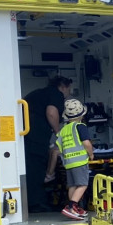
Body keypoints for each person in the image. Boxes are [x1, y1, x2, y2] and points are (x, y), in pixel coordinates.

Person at [23, 76, 72, 212]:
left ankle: (32, 201)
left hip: (26, 134)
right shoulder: (55, 94)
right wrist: (58, 132)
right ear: (63, 86)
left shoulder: (38, 94)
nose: (69, 92)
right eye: (69, 88)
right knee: (37, 167)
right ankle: (36, 204)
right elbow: (51, 112)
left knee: (30, 166)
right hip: (35, 135)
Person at [56, 99, 94, 220]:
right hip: (80, 161)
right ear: (82, 115)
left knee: (72, 185)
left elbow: (60, 147)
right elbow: (86, 143)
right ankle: (71, 206)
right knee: (83, 184)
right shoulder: (80, 126)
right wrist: (91, 154)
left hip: (68, 162)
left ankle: (74, 210)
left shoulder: (63, 130)